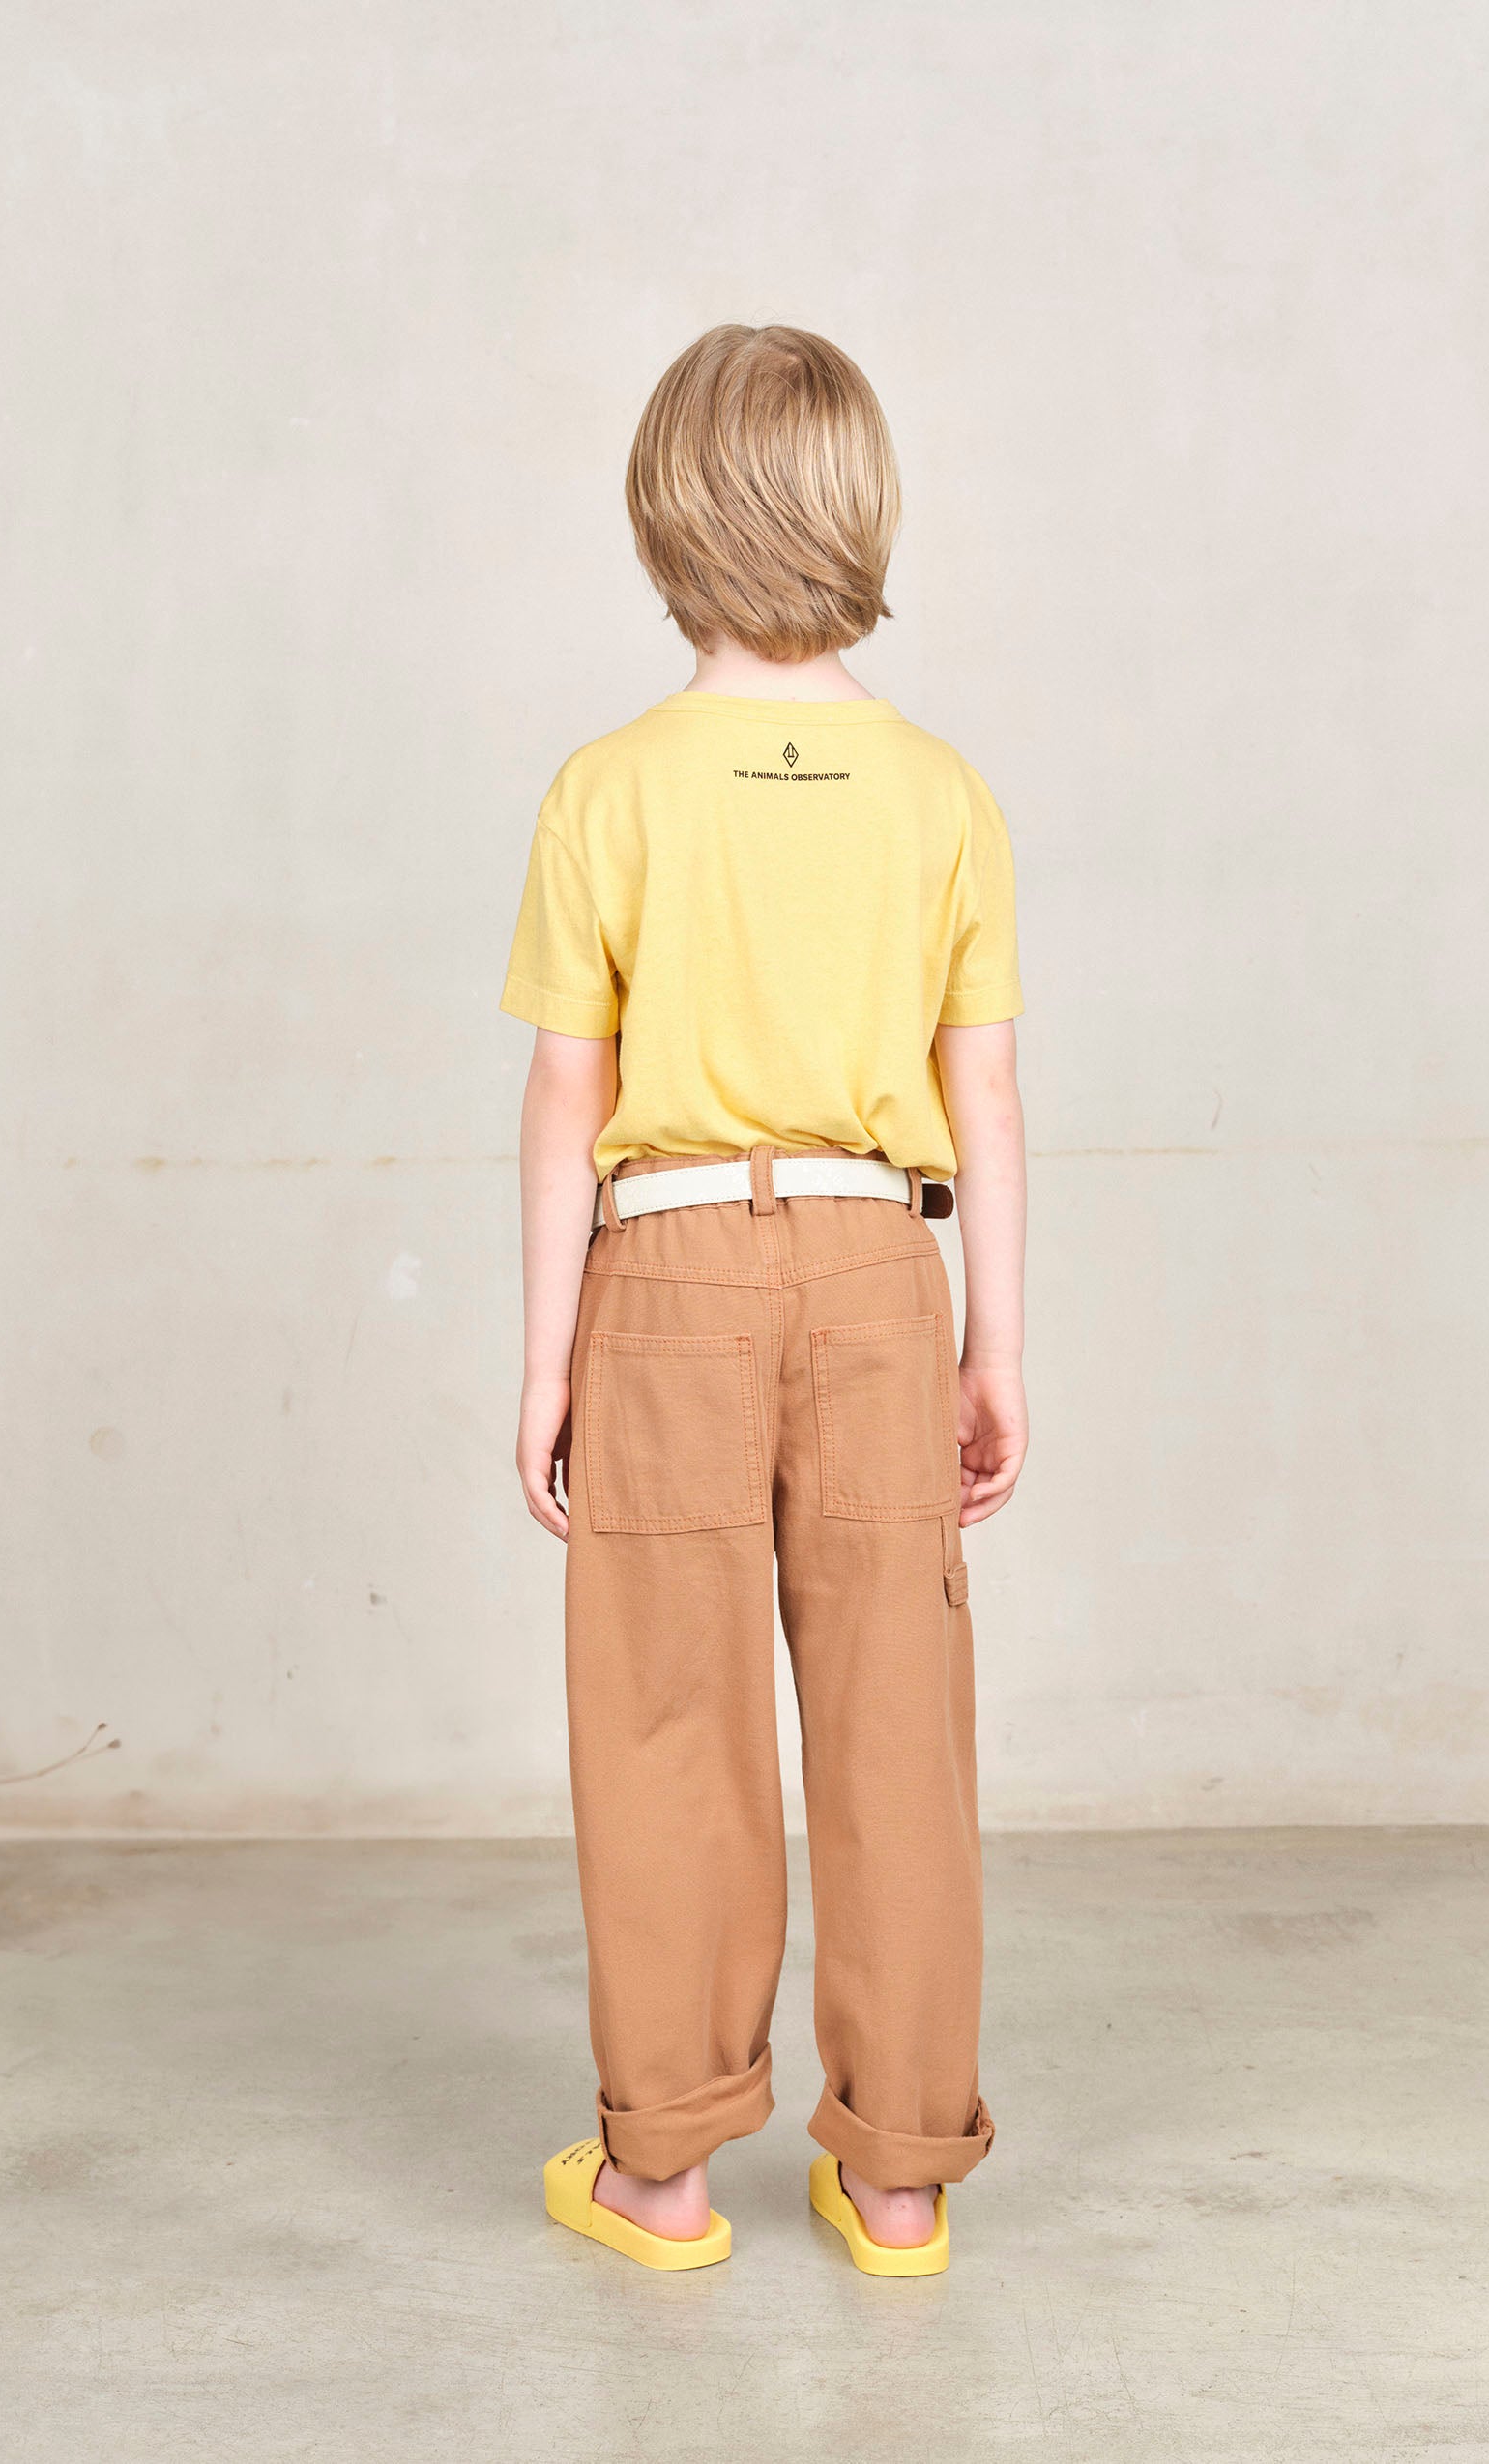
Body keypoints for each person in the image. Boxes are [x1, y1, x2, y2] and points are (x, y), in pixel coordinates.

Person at [501, 323, 1028, 2278]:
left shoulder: (609, 787)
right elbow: (986, 1092)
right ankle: (898, 2179)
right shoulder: (941, 791)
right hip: (883, 1263)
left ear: (665, 514)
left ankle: (660, 2173)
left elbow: (568, 1093)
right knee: (899, 1722)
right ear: (858, 505)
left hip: (666, 1269)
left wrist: (545, 1361)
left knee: (667, 1718)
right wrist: (995, 1344)